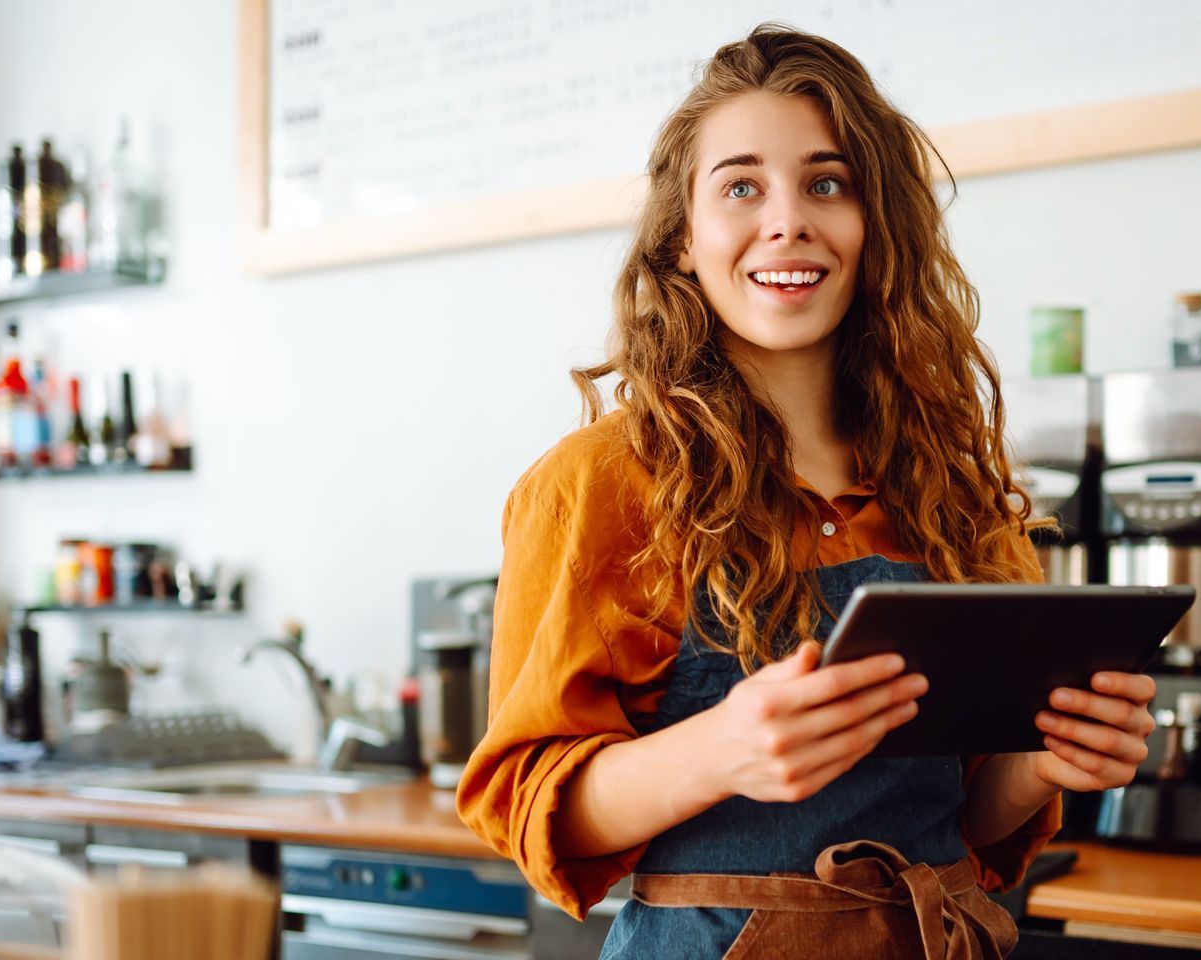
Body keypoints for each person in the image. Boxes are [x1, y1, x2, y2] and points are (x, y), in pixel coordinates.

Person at [458, 25, 1156, 960]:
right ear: (681, 237)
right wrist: (718, 750)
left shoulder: (954, 486)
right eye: (741, 186)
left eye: (826, 183)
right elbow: (525, 803)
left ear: (877, 229)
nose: (787, 220)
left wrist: (1040, 768)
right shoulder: (604, 482)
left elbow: (966, 824)